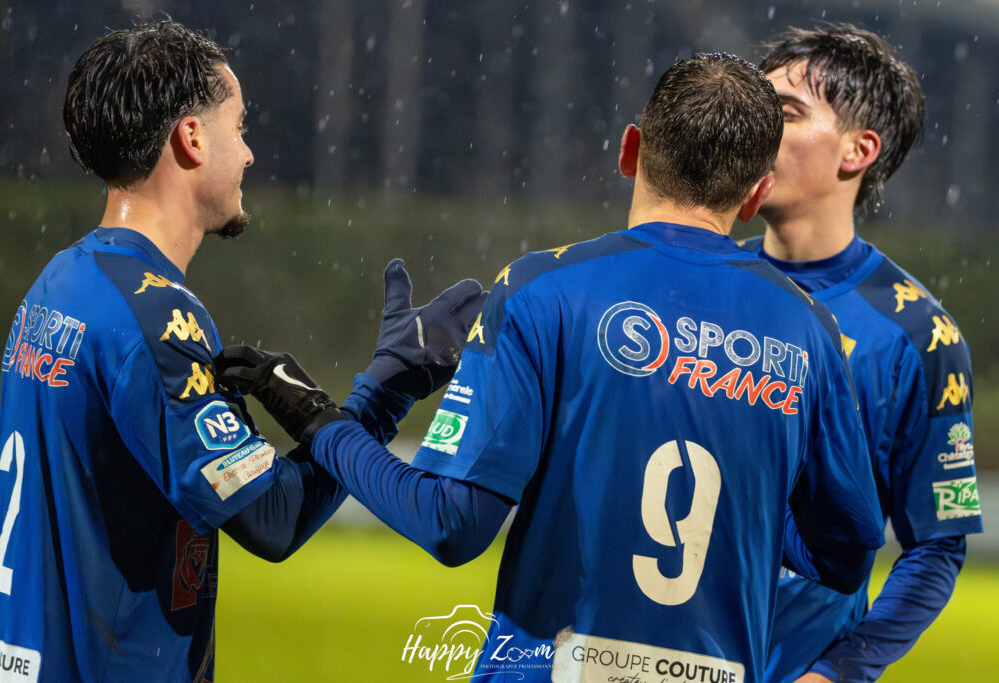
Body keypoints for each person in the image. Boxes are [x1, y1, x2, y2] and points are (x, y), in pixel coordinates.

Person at [218, 53, 885, 682]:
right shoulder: (808, 329)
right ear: (755, 192)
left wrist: (324, 423)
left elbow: (451, 523)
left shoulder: (546, 290)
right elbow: (849, 550)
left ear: (631, 150)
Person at [0, 20, 485, 683]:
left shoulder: (58, 284)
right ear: (191, 137)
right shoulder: (155, 311)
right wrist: (384, 391)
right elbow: (273, 519)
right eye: (238, 127)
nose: (247, 154)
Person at [742, 25, 983, 683]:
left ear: (859, 149)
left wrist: (835, 673)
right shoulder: (689, 287)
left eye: (785, 114)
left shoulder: (917, 333)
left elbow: (935, 545)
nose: (755, 130)